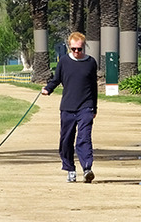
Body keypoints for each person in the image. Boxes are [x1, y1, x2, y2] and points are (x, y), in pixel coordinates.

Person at [42, 32, 98, 183]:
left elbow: (94, 86)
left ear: (84, 47)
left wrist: (94, 107)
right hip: (67, 107)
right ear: (69, 47)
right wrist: (47, 89)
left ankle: (87, 168)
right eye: (73, 49)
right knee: (66, 140)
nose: (76, 52)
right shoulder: (64, 62)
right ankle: (70, 169)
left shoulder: (91, 62)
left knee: (84, 138)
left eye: (79, 49)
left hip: (86, 107)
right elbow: (56, 79)